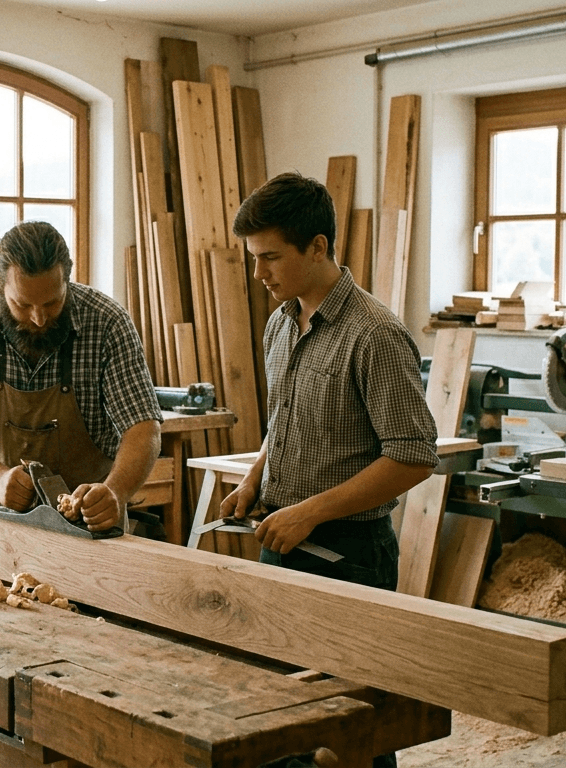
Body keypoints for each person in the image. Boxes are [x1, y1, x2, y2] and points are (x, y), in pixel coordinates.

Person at [222, 174, 437, 768]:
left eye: (270, 258)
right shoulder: (281, 323)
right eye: (254, 259)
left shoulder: (374, 334)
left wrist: (310, 511)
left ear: (317, 247)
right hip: (283, 537)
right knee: (280, 720)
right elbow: (286, 422)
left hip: (351, 554)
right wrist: (255, 479)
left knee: (350, 732)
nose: (259, 274)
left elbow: (413, 455)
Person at [0, 221, 162, 532]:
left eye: (52, 303)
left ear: (67, 279)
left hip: (91, 522)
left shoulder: (107, 322)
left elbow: (144, 428)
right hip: (0, 517)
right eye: (22, 305)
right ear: (0, 284)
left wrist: (116, 491)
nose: (38, 318)